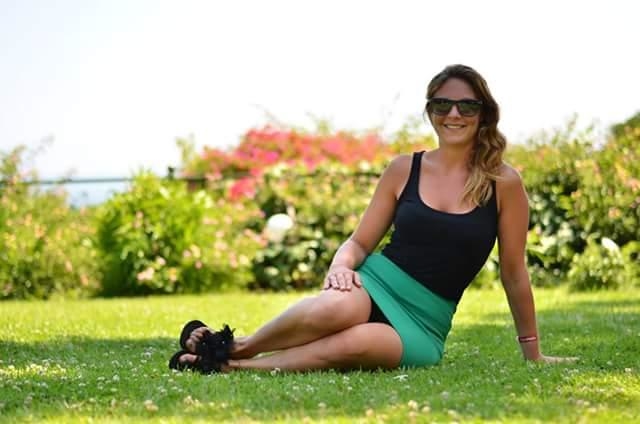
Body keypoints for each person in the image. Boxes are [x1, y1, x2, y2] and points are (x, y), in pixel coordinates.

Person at [168, 64, 574, 374]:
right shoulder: (403, 169)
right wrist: (340, 266)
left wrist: (533, 353)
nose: (454, 113)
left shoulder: (504, 183)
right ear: (430, 112)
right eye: (442, 104)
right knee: (335, 311)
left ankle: (231, 367)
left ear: (484, 113)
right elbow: (360, 242)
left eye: (467, 105)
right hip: (375, 283)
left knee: (355, 345)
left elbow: (514, 273)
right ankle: (235, 346)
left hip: (425, 323)